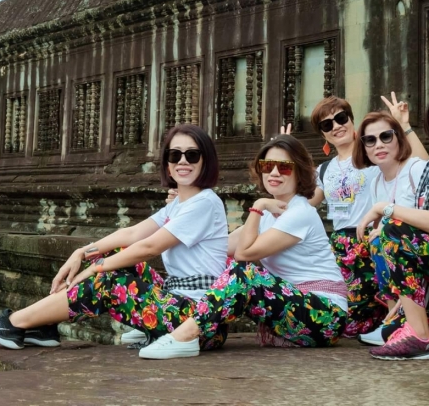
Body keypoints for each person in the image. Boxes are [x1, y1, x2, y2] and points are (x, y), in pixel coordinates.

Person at [0, 124, 229, 351]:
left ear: (205, 161)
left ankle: (15, 323)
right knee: (113, 254)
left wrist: (95, 269)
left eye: (192, 155)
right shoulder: (180, 203)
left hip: (199, 321)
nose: (183, 161)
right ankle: (43, 326)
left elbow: (149, 247)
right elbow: (132, 234)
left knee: (109, 280)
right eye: (175, 154)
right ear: (167, 164)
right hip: (177, 304)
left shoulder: (205, 203)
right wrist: (82, 253)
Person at [139, 134, 348, 359]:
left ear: (299, 173)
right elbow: (220, 248)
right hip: (296, 310)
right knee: (224, 266)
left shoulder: (300, 213)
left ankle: (186, 335)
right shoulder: (270, 214)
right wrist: (185, 209)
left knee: (243, 273)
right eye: (267, 166)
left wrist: (258, 206)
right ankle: (170, 323)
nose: (274, 173)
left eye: (284, 167)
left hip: (325, 316)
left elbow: (243, 254)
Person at [308, 94, 425, 345]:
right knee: (344, 320)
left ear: (352, 120)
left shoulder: (376, 158)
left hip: (370, 239)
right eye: (327, 124)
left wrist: (404, 126)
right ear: (322, 134)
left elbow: (422, 168)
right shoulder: (325, 169)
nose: (336, 126)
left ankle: (402, 325)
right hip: (342, 246)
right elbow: (306, 204)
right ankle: (395, 323)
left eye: (341, 118)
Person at [354, 110, 429, 359]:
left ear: (398, 138)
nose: (379, 144)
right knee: (377, 238)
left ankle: (419, 335)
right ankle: (397, 319)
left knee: (392, 229)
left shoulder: (417, 169)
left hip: (422, 258)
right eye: (370, 140)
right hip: (412, 263)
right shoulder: (376, 181)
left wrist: (385, 208)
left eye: (386, 136)